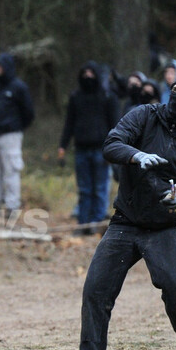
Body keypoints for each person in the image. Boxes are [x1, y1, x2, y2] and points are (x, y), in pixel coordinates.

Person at [78, 74, 176, 350]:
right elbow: (111, 143)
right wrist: (135, 155)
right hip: (125, 221)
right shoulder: (144, 115)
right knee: (95, 291)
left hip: (164, 227)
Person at [58, 62, 119, 232]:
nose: (88, 76)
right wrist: (62, 145)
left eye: (91, 72)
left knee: (100, 189)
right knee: (84, 189)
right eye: (84, 73)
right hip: (81, 150)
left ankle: (97, 224)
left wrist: (114, 149)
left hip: (102, 150)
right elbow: (69, 123)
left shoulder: (108, 96)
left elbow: (115, 125)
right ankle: (83, 223)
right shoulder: (75, 96)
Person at [0, 53, 34, 216]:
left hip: (11, 136)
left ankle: (12, 205)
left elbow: (28, 112)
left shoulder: (19, 87)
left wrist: (17, 127)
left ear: (7, 66)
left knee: (11, 170)